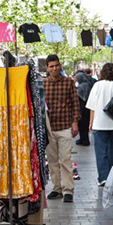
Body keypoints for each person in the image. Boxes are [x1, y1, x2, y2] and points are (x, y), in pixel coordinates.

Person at [43, 54, 80, 203]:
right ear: (47, 68)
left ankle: (68, 190)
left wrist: (75, 122)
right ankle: (56, 188)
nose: (54, 68)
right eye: (51, 66)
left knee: (65, 159)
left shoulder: (69, 82)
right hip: (49, 128)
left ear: (60, 66)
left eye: (56, 65)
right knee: (52, 161)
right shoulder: (43, 84)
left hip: (65, 126)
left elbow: (75, 103)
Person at [86, 62, 113, 187]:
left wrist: (91, 122)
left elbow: (92, 106)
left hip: (99, 123)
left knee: (100, 153)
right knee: (111, 152)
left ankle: (102, 177)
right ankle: (110, 177)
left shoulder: (97, 85)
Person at [74, 66, 95, 146]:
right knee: (85, 125)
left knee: (82, 125)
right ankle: (83, 139)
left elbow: (79, 98)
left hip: (82, 108)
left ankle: (84, 140)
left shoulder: (81, 86)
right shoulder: (87, 84)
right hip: (88, 108)